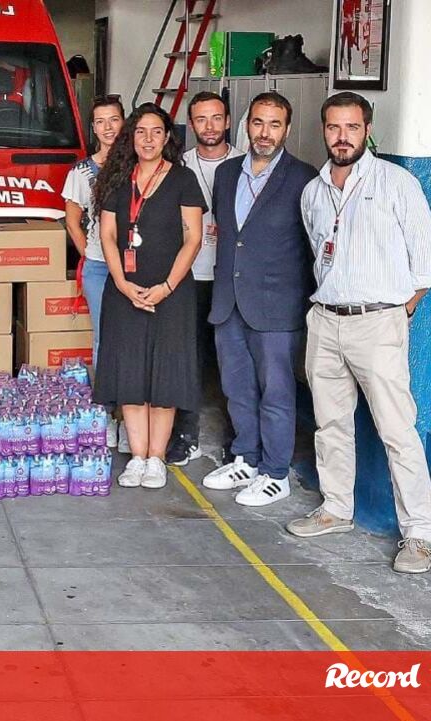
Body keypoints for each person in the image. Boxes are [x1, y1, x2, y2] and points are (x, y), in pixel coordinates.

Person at [287, 92, 431, 575]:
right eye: (334, 127)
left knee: (397, 430)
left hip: (378, 321)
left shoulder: (397, 183)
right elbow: (319, 255)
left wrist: (396, 311)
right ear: (323, 130)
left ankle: (420, 533)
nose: (342, 137)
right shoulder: (313, 192)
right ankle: (336, 509)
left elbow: (424, 263)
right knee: (330, 424)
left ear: (367, 130)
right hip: (325, 320)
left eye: (352, 127)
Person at [202, 92, 317, 507]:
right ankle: (246, 459)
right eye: (257, 122)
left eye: (274, 124)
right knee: (236, 388)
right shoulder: (227, 173)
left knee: (277, 394)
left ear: (287, 129)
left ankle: (275, 472)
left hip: (277, 306)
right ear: (246, 125)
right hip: (229, 302)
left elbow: (311, 245)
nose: (264, 133)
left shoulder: (304, 178)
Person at [91, 103, 205, 490]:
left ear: (167, 137)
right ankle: (137, 457)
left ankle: (157, 458)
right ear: (131, 137)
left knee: (164, 376)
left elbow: (193, 238)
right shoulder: (117, 179)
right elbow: (108, 235)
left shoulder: (183, 179)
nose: (148, 139)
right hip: (124, 292)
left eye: (156, 131)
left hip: (171, 293)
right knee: (130, 374)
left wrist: (167, 286)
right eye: (141, 131)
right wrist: (123, 284)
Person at [165, 92, 244, 467]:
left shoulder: (246, 165)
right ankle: (185, 436)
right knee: (188, 359)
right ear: (191, 124)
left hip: (232, 277)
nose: (209, 126)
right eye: (201, 119)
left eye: (216, 118)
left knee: (233, 361)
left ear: (227, 121)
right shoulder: (179, 166)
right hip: (189, 275)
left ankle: (236, 442)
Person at [63, 95, 125, 365]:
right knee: (104, 335)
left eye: (114, 120)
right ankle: (105, 391)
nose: (108, 128)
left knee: (136, 334)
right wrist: (90, 255)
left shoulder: (139, 165)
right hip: (99, 266)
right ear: (93, 128)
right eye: (100, 122)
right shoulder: (81, 172)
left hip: (137, 263)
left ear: (125, 123)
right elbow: (72, 222)